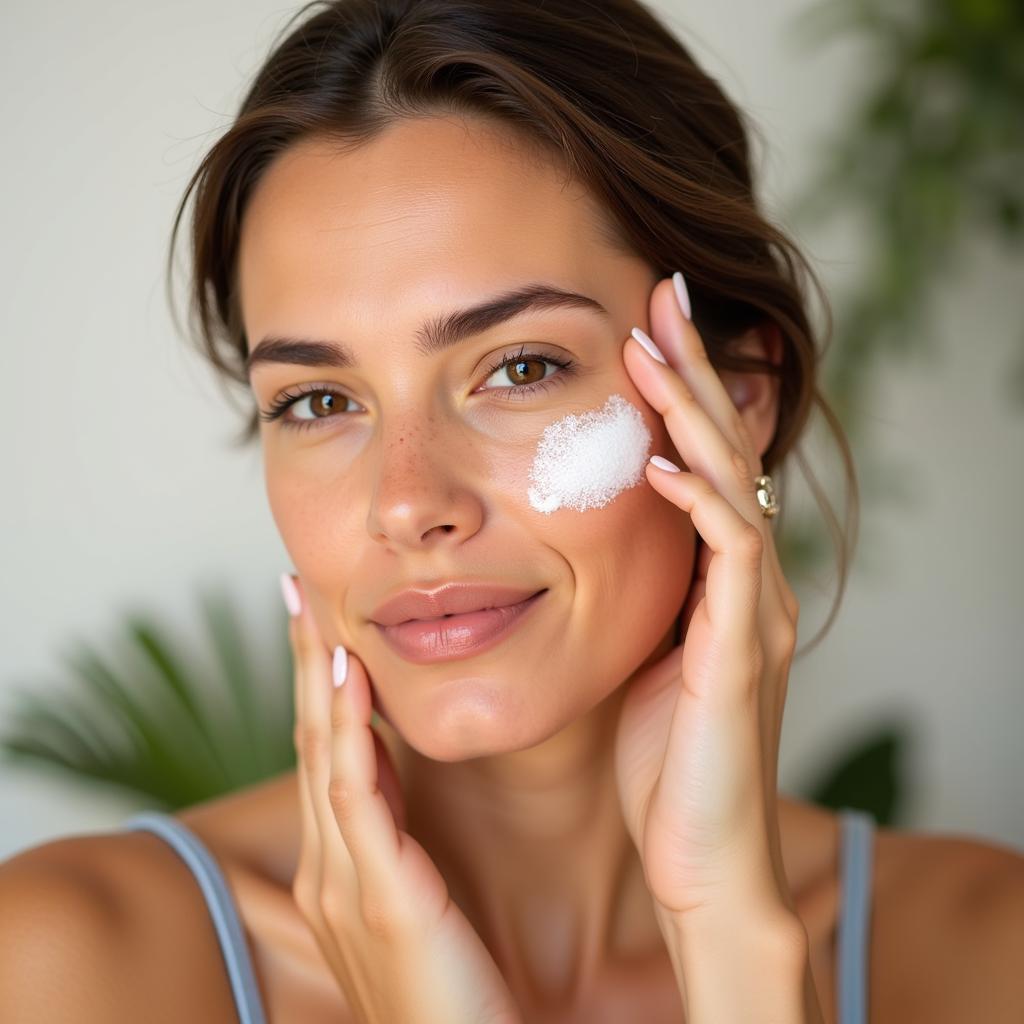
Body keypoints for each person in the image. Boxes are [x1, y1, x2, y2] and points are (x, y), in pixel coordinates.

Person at [2, 1, 1022, 1021]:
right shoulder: (67, 965)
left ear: (736, 394)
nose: (407, 504)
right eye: (319, 401)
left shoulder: (986, 956)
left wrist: (735, 946)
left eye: (519, 368)